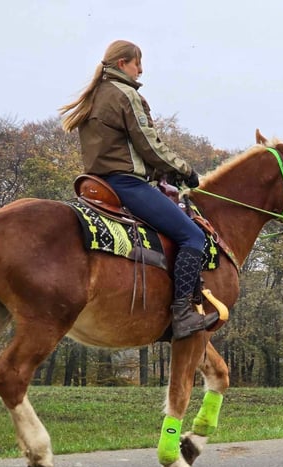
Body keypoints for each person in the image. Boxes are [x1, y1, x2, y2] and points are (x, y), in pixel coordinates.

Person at [59, 40, 217, 339]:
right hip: (126, 184)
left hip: (98, 183)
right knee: (193, 236)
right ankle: (183, 314)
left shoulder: (95, 95)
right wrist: (185, 170)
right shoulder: (126, 94)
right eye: (137, 64)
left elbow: (122, 147)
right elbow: (148, 144)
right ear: (122, 64)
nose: (140, 70)